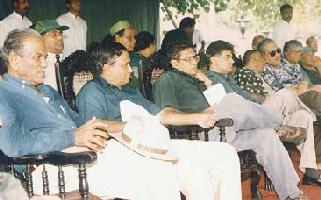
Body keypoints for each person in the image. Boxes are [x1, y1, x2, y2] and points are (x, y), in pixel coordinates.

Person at [0, 29, 241, 200]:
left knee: (179, 167)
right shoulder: (4, 92)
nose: (44, 63)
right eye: (38, 57)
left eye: (45, 56)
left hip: (88, 154)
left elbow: (76, 123)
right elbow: (11, 144)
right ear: (14, 59)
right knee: (159, 172)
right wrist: (73, 136)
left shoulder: (46, 91)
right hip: (54, 165)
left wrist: (88, 131)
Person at [76, 42, 242, 200]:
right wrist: (131, 125)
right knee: (191, 168)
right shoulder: (92, 91)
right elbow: (93, 128)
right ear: (106, 67)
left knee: (225, 151)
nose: (131, 71)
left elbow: (161, 115)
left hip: (153, 141)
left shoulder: (130, 91)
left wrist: (196, 118)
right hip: (122, 148)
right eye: (125, 65)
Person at [153, 42, 309, 200]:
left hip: (222, 129)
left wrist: (206, 81)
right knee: (232, 99)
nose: (195, 62)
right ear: (174, 62)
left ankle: (292, 194)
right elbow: (166, 114)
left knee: (266, 135)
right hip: (199, 133)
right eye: (189, 59)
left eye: (195, 57)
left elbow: (216, 101)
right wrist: (198, 116)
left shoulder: (195, 79)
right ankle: (279, 123)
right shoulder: (167, 79)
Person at [260, 39, 321, 185]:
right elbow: (279, 93)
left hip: (297, 103)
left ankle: (312, 171)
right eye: (273, 53)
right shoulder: (265, 70)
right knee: (294, 94)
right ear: (263, 56)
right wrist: (302, 89)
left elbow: (303, 80)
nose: (277, 55)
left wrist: (305, 86)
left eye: (278, 51)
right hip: (279, 107)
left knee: (308, 116)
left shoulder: (286, 67)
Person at [129, 31, 156, 98]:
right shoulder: (147, 62)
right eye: (154, 44)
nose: (155, 47)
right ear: (150, 44)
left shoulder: (129, 57)